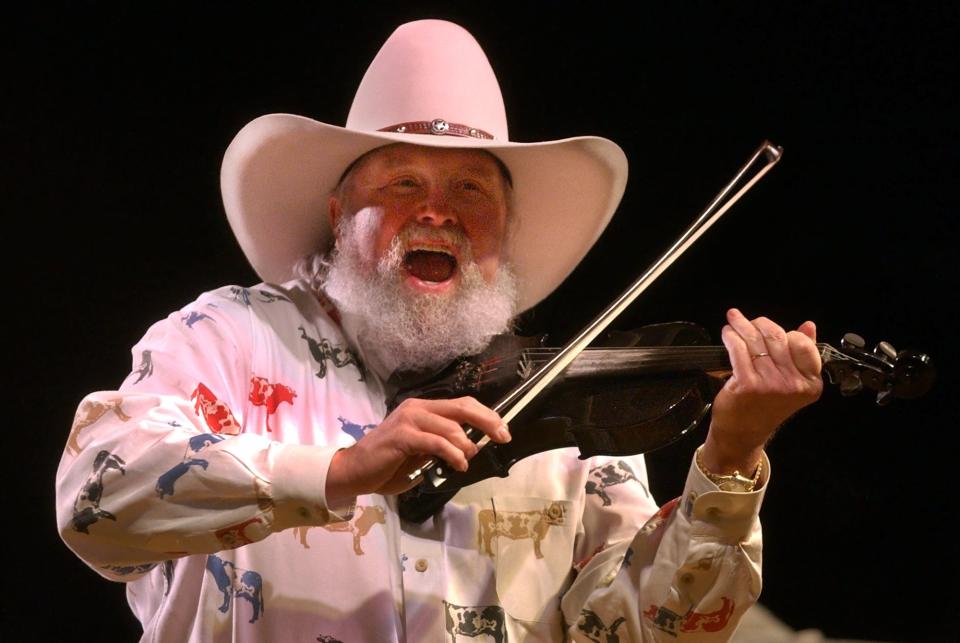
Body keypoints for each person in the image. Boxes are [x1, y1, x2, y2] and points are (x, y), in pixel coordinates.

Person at [56, 19, 823, 642]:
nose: (438, 210)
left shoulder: (559, 412)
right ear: (338, 215)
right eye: (402, 183)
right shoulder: (229, 336)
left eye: (469, 188)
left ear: (507, 228)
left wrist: (730, 457)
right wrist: (342, 471)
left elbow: (656, 631)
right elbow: (95, 495)